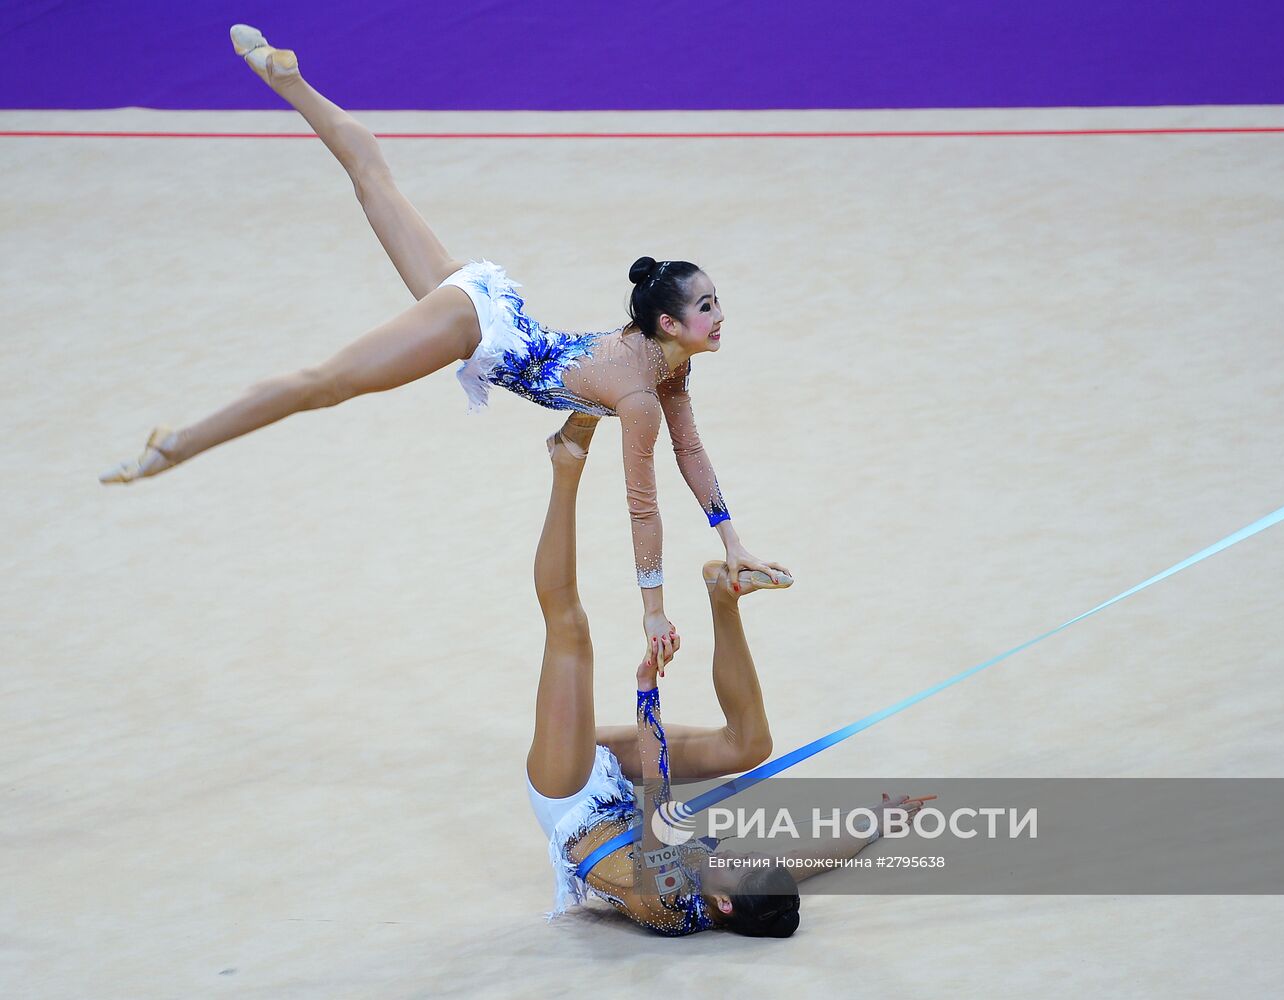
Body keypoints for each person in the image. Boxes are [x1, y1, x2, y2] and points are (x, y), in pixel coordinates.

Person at [99, 25, 784, 665]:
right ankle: (176, 444)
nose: (719, 316)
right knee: (324, 384)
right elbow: (643, 503)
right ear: (668, 324)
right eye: (706, 306)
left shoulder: (666, 372)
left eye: (715, 303)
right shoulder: (639, 394)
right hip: (475, 327)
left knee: (374, 182)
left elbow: (689, 450)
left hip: (488, 304)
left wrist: (733, 541)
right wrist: (653, 612)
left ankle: (289, 81)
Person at [529, 414, 925, 937]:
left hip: (571, 793)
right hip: (620, 788)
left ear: (723, 903)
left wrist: (647, 689)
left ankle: (565, 464)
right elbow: (805, 857)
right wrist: (875, 823)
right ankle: (725, 596)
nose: (746, 852)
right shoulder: (743, 886)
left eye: (742, 862)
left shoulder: (668, 897)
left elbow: (657, 789)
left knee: (571, 630)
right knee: (749, 746)